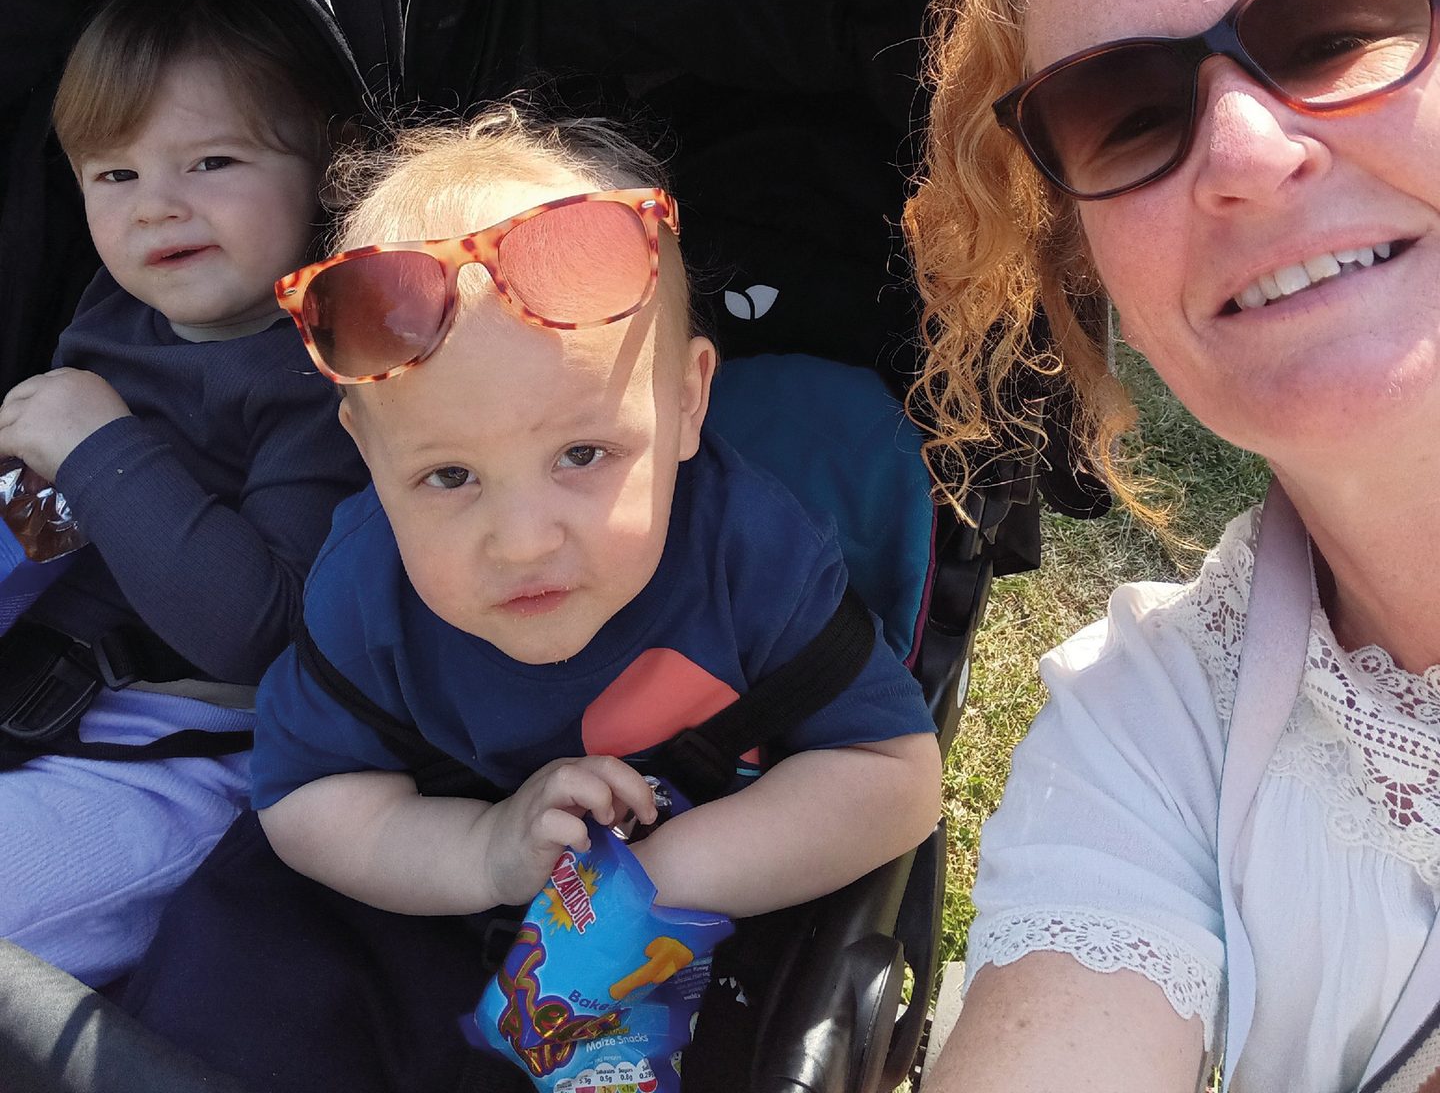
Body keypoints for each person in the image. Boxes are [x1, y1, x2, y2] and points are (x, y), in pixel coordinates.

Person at [121, 105, 942, 1093]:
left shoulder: (754, 559)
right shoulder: (368, 590)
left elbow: (894, 778)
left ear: (687, 402)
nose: (521, 541)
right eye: (449, 477)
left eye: (582, 455)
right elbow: (306, 801)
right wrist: (482, 852)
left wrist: (656, 881)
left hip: (687, 917)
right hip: (435, 885)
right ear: (368, 452)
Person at [905, 0, 1440, 1093]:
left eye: (1333, 32)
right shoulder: (1147, 734)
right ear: (1089, 264)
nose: (1246, 153)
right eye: (1128, 113)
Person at [0, 0, 364, 986]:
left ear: (330, 167)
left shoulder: (324, 374)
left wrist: (98, 448)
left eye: (211, 162)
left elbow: (261, 634)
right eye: (114, 175)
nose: (157, 207)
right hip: (42, 667)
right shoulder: (119, 314)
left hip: (189, 744)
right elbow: (50, 522)